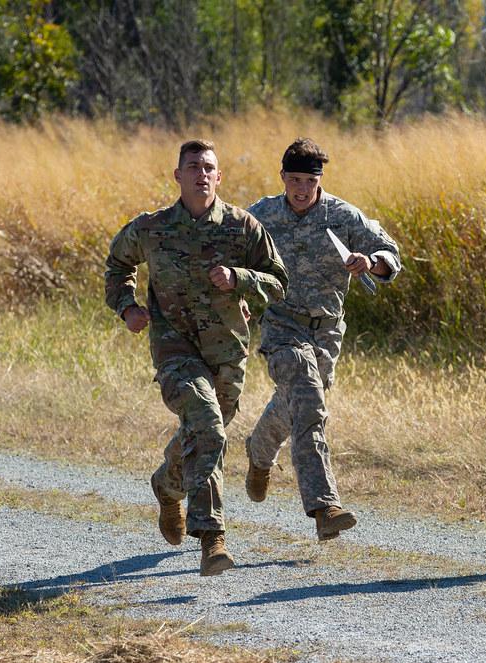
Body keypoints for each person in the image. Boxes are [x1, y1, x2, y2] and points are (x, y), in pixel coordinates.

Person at [105, 140, 288, 576]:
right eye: (193, 167)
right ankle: (212, 537)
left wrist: (240, 279)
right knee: (206, 424)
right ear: (178, 175)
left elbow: (278, 281)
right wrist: (127, 307)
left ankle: (167, 486)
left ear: (219, 177)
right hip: (175, 352)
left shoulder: (243, 227)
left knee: (205, 435)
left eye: (209, 167)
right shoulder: (152, 228)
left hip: (227, 354)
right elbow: (117, 264)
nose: (201, 174)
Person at [243, 138, 401, 541]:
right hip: (281, 327)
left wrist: (371, 263)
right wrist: (238, 298)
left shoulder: (342, 215)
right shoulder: (260, 216)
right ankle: (324, 507)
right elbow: (230, 257)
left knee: (296, 404)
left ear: (320, 180)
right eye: (293, 180)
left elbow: (390, 254)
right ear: (282, 178)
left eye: (309, 181)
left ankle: (259, 452)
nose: (300, 189)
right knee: (309, 403)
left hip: (328, 331)